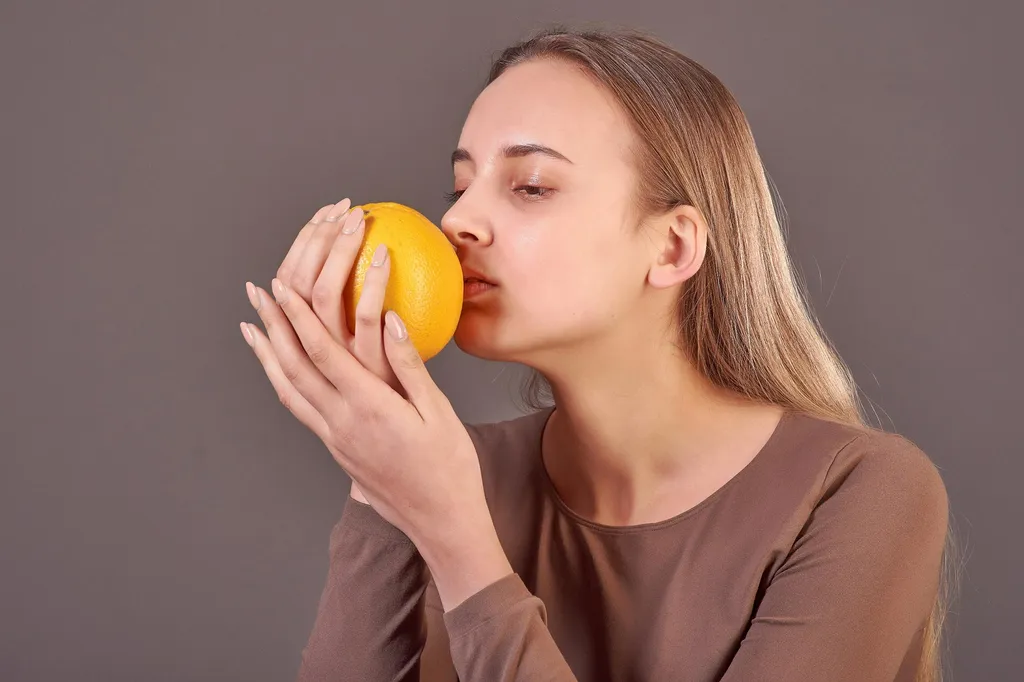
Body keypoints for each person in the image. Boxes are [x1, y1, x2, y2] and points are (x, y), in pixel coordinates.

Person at [241, 25, 954, 682]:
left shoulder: (861, 493)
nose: (456, 221)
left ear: (672, 246)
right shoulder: (444, 473)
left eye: (531, 186)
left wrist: (457, 541)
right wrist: (380, 478)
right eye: (458, 187)